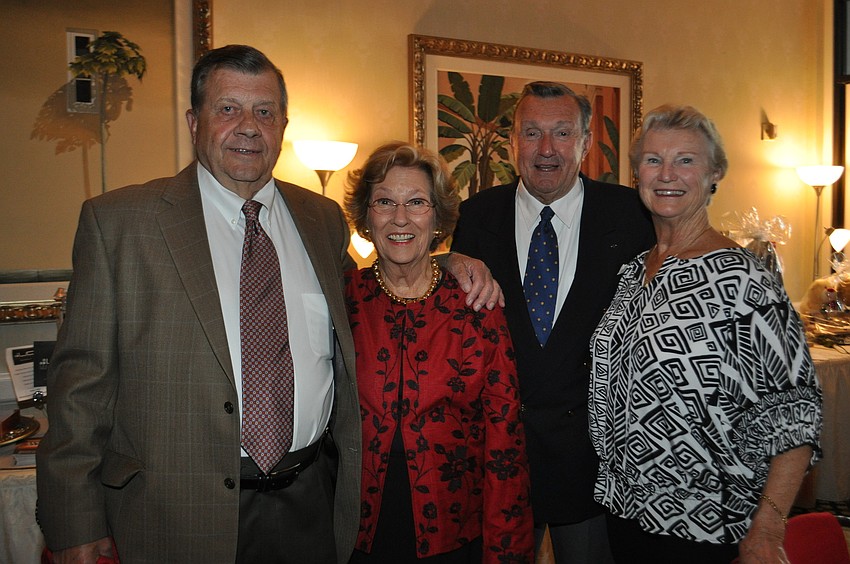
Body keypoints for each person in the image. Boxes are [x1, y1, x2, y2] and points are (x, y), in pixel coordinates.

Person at [36, 45, 501, 564]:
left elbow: (379, 291)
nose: (249, 127)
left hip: (312, 506)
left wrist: (452, 258)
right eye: (227, 108)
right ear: (195, 122)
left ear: (283, 125)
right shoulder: (121, 223)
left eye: (264, 112)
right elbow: (79, 390)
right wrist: (74, 523)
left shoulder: (320, 221)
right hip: (176, 515)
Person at [588, 104, 823, 563]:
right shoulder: (634, 272)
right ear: (636, 174)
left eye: (686, 160)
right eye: (653, 160)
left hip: (707, 524)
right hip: (627, 512)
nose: (667, 173)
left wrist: (768, 530)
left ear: (715, 173)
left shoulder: (744, 282)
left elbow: (796, 416)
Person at [451, 81, 654, 562]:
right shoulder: (476, 217)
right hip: (498, 459)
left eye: (562, 134)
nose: (546, 150)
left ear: (585, 143)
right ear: (511, 142)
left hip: (592, 464)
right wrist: (447, 261)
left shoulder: (631, 216)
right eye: (532, 133)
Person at [343, 142, 534, 563]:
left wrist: (505, 551)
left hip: (453, 535)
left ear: (438, 216)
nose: (400, 218)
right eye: (384, 202)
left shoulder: (477, 306)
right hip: (353, 533)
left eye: (416, 202)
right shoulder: (343, 299)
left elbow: (504, 442)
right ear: (366, 216)